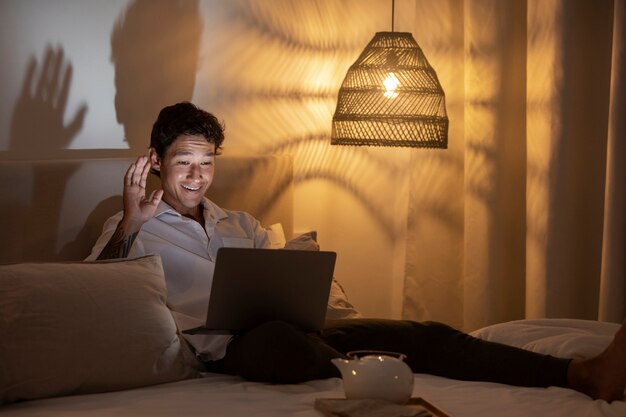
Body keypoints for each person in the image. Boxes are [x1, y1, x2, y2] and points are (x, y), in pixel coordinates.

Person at [87, 102, 626, 403]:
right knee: (280, 344)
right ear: (156, 161)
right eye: (184, 162)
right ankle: (380, 372)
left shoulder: (240, 223)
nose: (197, 175)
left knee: (426, 334)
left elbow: (282, 276)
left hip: (300, 332)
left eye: (207, 162)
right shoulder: (130, 223)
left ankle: (580, 374)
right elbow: (93, 293)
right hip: (226, 350)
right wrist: (132, 223)